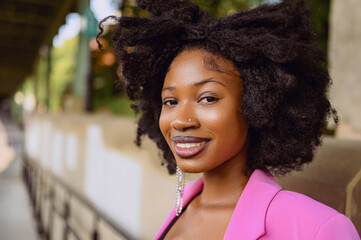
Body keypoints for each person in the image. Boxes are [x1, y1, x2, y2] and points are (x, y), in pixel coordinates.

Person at [97, 0, 360, 239]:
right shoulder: (182, 209)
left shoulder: (317, 227)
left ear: (256, 104)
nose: (181, 120)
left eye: (208, 98)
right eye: (171, 101)